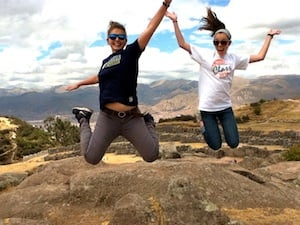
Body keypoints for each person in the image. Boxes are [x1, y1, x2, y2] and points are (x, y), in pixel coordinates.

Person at [65, 0, 173, 165]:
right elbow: (100, 77)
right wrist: (80, 83)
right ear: (107, 39)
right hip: (108, 117)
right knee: (91, 158)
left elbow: (150, 28)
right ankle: (83, 118)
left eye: (121, 37)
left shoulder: (130, 53)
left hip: (131, 117)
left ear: (125, 39)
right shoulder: (106, 61)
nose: (117, 40)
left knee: (151, 155)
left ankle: (148, 121)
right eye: (113, 37)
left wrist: (165, 4)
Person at [165, 8, 281, 150]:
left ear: (229, 43)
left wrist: (269, 36)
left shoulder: (234, 59)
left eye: (223, 42)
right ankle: (203, 124)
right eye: (216, 42)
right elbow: (182, 44)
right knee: (215, 145)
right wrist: (175, 21)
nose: (220, 45)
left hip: (225, 108)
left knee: (233, 143)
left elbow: (260, 56)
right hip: (207, 109)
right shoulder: (205, 56)